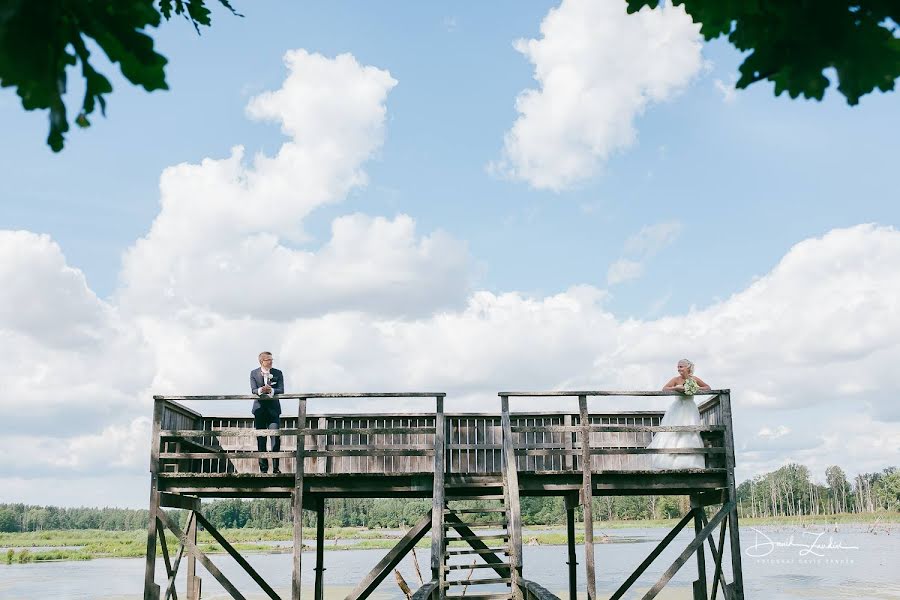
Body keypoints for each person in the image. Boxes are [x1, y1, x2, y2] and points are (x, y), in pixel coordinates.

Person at [647, 359, 711, 469]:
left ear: (688, 368)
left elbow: (707, 387)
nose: (679, 369)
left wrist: (695, 388)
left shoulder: (694, 379)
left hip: (690, 408)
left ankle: (690, 462)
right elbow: (664, 389)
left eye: (681, 366)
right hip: (678, 408)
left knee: (690, 432)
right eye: (678, 367)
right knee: (674, 433)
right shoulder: (676, 379)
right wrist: (676, 388)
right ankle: (671, 462)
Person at [250, 352, 284, 473]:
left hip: (273, 410)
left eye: (271, 359)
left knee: (275, 438)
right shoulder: (254, 373)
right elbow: (253, 389)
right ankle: (263, 469)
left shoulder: (278, 373)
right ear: (261, 361)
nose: (270, 362)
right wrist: (261, 390)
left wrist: (272, 390)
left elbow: (281, 389)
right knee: (261, 439)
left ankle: (275, 468)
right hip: (259, 410)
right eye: (268, 360)